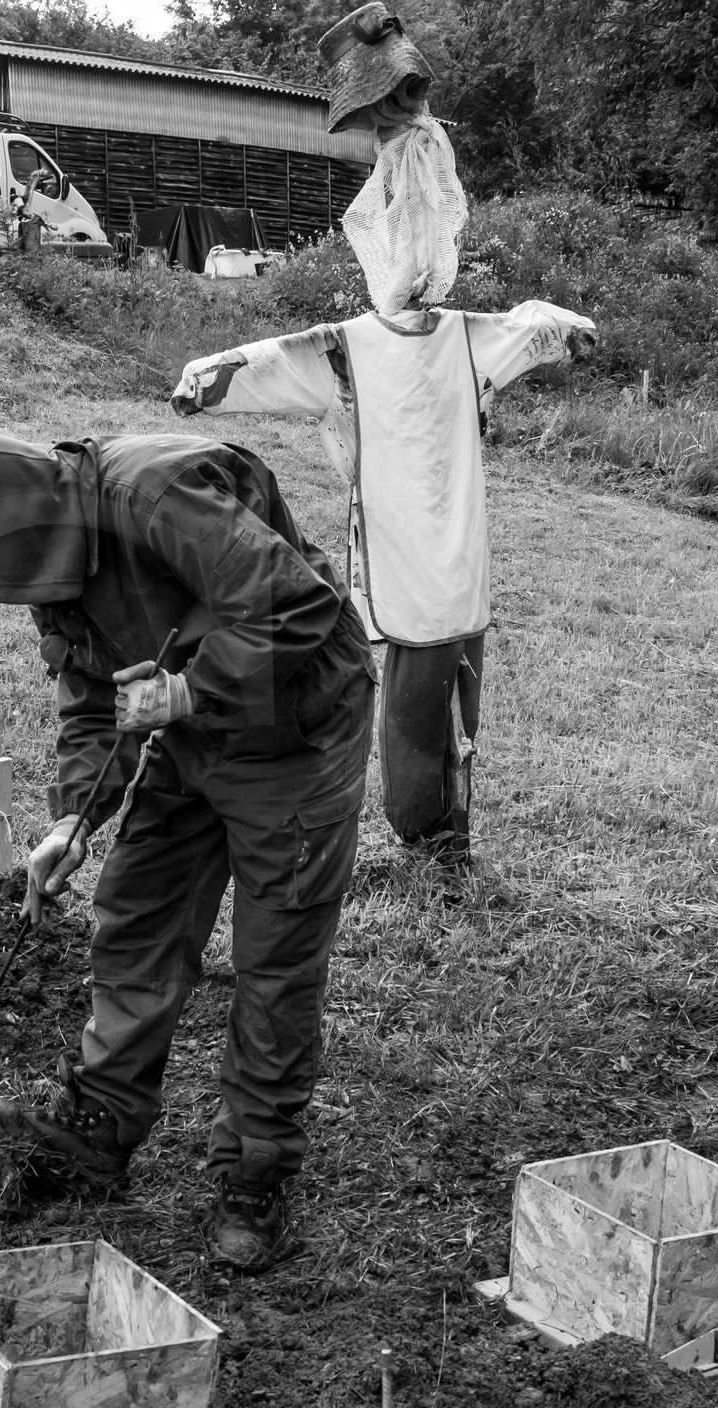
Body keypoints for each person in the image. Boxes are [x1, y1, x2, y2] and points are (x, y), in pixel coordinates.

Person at [0, 432, 376, 1271]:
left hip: (295, 729)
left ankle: (254, 1173)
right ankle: (97, 1131)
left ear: (45, 516)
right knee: (136, 916)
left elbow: (298, 604)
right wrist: (70, 822)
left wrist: (191, 690)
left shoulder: (159, 495)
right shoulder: (54, 564)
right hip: (188, 734)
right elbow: (95, 695)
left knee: (274, 957)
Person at [172, 49, 595, 866]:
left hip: (444, 577)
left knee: (436, 701)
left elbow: (544, 331)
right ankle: (434, 837)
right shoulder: (359, 348)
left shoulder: (452, 337)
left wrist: (206, 382)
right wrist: (208, 382)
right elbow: (261, 364)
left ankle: (436, 839)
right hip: (426, 576)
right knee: (431, 699)